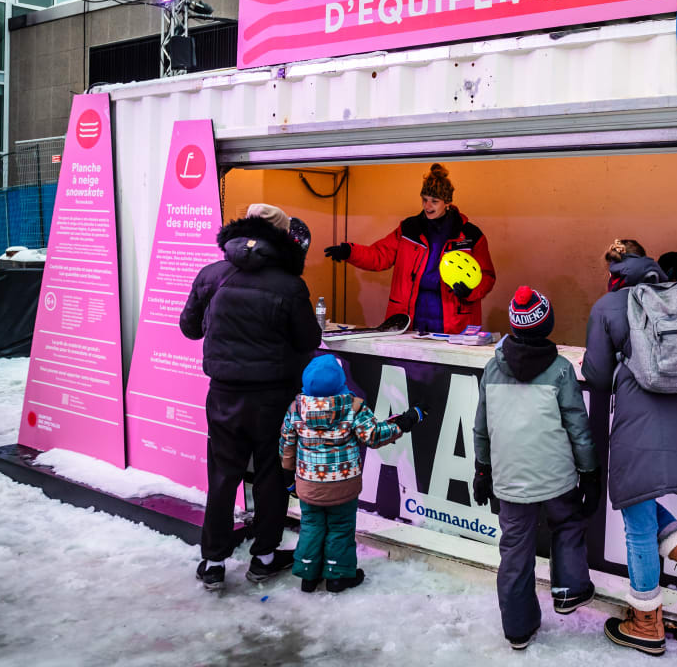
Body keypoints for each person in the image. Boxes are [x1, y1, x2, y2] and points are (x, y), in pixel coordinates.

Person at [582, 240, 677, 656]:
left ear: (614, 270)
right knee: (638, 501)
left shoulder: (608, 306)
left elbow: (595, 374)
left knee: (636, 516)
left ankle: (647, 621)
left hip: (642, 418)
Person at [180, 203, 323, 591]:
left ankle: (212, 562)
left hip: (223, 395)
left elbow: (189, 328)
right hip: (273, 397)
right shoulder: (290, 284)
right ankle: (263, 558)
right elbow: (310, 340)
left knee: (223, 476)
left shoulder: (211, 275)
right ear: (281, 237)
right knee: (270, 476)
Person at [472, 286, 601, 650]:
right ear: (547, 325)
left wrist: (482, 469)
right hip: (557, 478)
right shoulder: (560, 371)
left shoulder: (491, 370)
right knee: (568, 524)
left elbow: (481, 426)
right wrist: (589, 472)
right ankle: (568, 590)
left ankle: (517, 627)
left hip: (510, 479)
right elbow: (578, 427)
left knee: (515, 548)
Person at [280, 353, 425, 593]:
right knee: (340, 527)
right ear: (340, 382)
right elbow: (375, 435)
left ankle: (308, 574)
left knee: (312, 525)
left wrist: (288, 477)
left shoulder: (296, 408)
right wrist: (408, 419)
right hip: (343, 485)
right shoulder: (353, 406)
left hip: (308, 484)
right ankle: (338, 576)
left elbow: (286, 444)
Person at [323, 163, 496, 334]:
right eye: (424, 200)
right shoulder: (409, 228)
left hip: (453, 320)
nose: (427, 206)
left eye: (434, 201)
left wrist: (470, 291)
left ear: (447, 202)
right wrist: (349, 252)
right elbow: (380, 255)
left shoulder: (471, 235)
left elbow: (487, 276)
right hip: (411, 317)